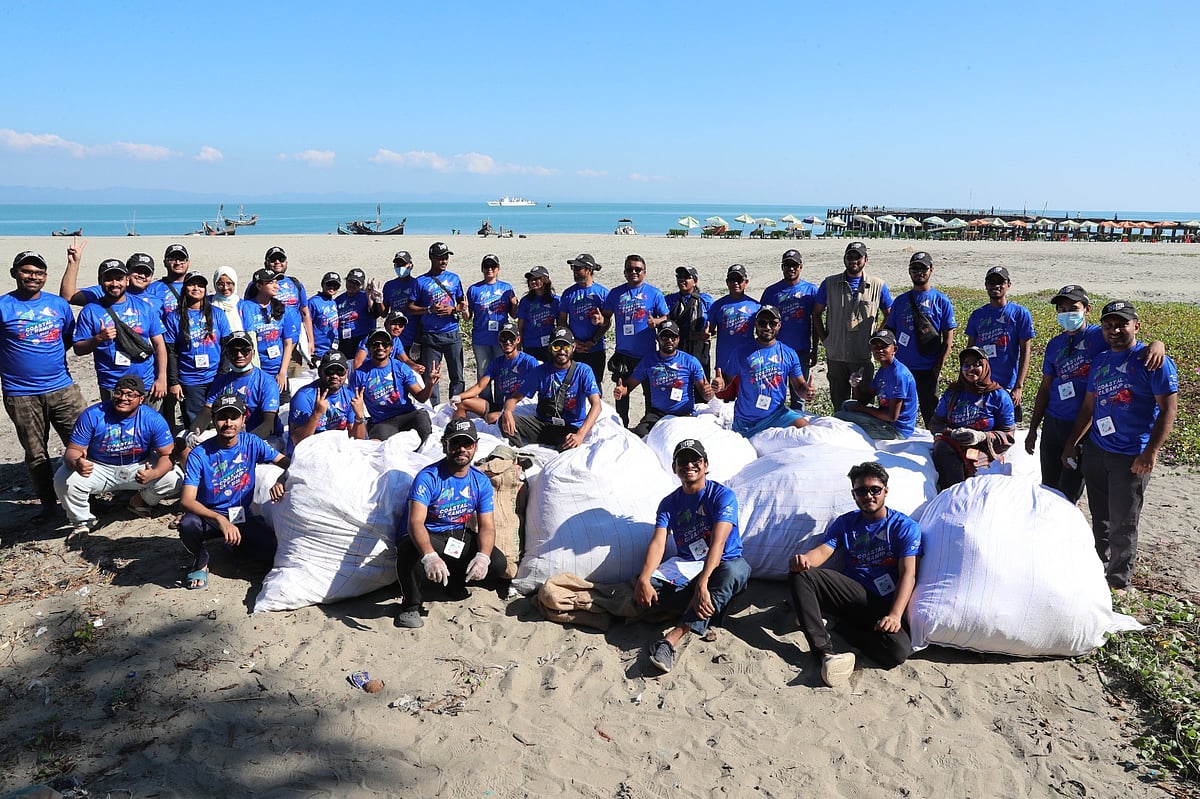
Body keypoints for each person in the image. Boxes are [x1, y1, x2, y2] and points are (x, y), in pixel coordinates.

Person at [1061, 300, 1178, 590]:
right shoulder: (1101, 360)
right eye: (1109, 325)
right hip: (1097, 450)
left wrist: (1150, 452)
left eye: (1122, 324)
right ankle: (1099, 565)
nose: (1114, 330)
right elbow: (1089, 407)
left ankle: (1117, 581)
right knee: (1099, 516)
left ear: (1136, 326)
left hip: (1130, 456)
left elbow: (1168, 409)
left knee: (1123, 522)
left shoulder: (1152, 361)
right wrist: (1072, 443)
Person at [1025, 285, 1165, 503]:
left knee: (1069, 490)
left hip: (1084, 426)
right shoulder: (1055, 344)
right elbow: (1045, 389)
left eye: (1073, 308)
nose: (1067, 314)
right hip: (1053, 423)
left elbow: (1133, 342)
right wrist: (1034, 428)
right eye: (1062, 310)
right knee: (1048, 487)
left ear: (1087, 310)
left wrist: (1158, 344)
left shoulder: (1099, 336)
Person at [787, 462, 921, 687]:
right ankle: (825, 654)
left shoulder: (903, 527)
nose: (868, 495)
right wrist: (804, 561)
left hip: (883, 604)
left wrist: (895, 615)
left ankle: (839, 626)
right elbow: (823, 551)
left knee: (897, 652)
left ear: (885, 491)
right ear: (853, 494)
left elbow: (908, 574)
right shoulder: (846, 523)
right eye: (861, 491)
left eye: (874, 490)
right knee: (801, 575)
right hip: (852, 592)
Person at [635, 438, 750, 674]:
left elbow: (718, 542)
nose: (689, 465)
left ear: (706, 465)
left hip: (724, 564)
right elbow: (658, 542)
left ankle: (671, 639)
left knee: (732, 574)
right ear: (674, 468)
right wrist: (644, 579)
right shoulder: (669, 503)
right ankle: (708, 611)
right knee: (649, 589)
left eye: (695, 460)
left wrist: (704, 581)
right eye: (683, 461)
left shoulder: (722, 496)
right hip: (689, 567)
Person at [393, 418, 510, 629]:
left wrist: (483, 557)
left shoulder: (479, 481)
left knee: (498, 562)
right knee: (410, 550)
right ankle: (410, 606)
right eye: (456, 443)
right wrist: (429, 556)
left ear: (476, 446)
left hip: (457, 535)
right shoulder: (428, 477)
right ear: (444, 444)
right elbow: (415, 523)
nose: (462, 449)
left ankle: (453, 581)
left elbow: (487, 526)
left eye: (468, 444)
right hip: (428, 535)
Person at [1, 250, 88, 518]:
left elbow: (68, 340)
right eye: (27, 271)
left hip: (62, 388)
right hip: (21, 393)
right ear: (15, 273)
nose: (33, 277)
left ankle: (86, 497)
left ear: (45, 276)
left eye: (39, 272)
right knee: (36, 452)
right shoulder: (4, 306)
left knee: (82, 442)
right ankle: (48, 503)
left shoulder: (58, 305)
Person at [179, 394, 290, 590]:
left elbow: (288, 463)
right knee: (188, 525)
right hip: (209, 516)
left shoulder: (252, 442)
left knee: (269, 550)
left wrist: (281, 480)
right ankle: (201, 559)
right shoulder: (199, 454)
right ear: (213, 420)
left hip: (241, 514)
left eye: (234, 417)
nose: (228, 423)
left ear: (243, 419)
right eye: (222, 417)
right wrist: (220, 520)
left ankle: (234, 547)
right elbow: (186, 501)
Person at [53, 375, 181, 541]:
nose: (123, 398)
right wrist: (77, 462)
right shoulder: (92, 415)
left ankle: (140, 501)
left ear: (141, 398)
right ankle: (82, 522)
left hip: (139, 465)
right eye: (119, 393)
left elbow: (168, 454)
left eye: (130, 395)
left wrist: (154, 474)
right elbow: (73, 450)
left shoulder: (153, 419)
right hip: (99, 466)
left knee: (175, 477)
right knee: (64, 479)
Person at [73, 258, 168, 404]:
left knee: (148, 424)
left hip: (146, 382)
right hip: (112, 384)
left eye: (119, 279)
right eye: (109, 279)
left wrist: (162, 378)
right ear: (100, 281)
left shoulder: (144, 307)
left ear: (127, 280)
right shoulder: (90, 311)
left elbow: (159, 345)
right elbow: (78, 349)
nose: (115, 284)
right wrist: (98, 339)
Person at [812, 241, 893, 413]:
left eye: (858, 257)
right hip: (836, 355)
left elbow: (890, 314)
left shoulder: (878, 285)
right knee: (839, 404)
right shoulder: (829, 283)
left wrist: (877, 336)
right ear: (845, 258)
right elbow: (816, 313)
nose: (854, 260)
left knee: (863, 405)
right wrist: (826, 341)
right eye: (850, 256)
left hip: (862, 354)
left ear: (866, 260)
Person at [712, 305, 813, 438]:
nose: (767, 327)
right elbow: (726, 380)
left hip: (778, 415)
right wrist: (720, 384)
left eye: (772, 323)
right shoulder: (741, 352)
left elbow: (799, 385)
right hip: (746, 421)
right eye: (762, 323)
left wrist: (806, 391)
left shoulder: (789, 353)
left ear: (779, 325)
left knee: (809, 433)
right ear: (756, 324)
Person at [500, 326, 602, 451]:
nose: (561, 351)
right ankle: (521, 454)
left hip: (570, 427)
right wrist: (508, 412)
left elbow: (597, 405)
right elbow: (514, 399)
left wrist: (580, 435)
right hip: (543, 424)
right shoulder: (539, 372)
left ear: (573, 347)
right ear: (550, 348)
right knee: (503, 422)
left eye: (566, 347)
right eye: (556, 347)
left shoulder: (583, 371)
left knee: (567, 448)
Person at [884, 251, 956, 426]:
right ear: (909, 271)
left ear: (931, 270)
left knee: (931, 414)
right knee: (899, 415)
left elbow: (948, 340)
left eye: (923, 268)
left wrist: (937, 367)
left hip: (928, 369)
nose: (919, 272)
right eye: (914, 268)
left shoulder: (941, 300)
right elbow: (890, 333)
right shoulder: (900, 301)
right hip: (902, 369)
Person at [929, 346, 1016, 490]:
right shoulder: (952, 394)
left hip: (985, 449)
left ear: (986, 367)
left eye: (977, 365)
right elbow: (935, 424)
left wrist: (982, 436)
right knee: (942, 449)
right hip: (954, 447)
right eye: (966, 365)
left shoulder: (999, 396)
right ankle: (952, 494)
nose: (971, 369)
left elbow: (1009, 435)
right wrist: (952, 433)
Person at [602, 254, 669, 427]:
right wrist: (599, 320)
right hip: (623, 354)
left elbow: (665, 316)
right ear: (624, 272)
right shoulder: (616, 293)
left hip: (647, 355)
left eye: (637, 269)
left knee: (650, 394)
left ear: (644, 272)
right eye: (630, 269)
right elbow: (606, 317)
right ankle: (621, 426)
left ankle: (649, 427)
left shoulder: (654, 293)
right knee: (621, 393)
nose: (634, 272)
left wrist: (656, 322)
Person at [615, 321, 713, 438]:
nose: (669, 340)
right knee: (640, 435)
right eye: (665, 336)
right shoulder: (649, 361)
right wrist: (621, 391)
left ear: (678, 338)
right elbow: (629, 386)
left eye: (673, 337)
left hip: (683, 415)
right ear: (658, 338)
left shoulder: (690, 361)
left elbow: (706, 394)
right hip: (657, 414)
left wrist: (710, 392)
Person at [163, 271, 232, 432]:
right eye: (192, 284)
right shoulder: (174, 317)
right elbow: (171, 352)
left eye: (200, 285)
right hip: (190, 380)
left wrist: (222, 376)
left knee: (220, 419)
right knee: (195, 424)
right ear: (184, 288)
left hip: (215, 376)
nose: (196, 288)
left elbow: (226, 346)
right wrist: (174, 382)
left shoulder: (217, 313)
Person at [965, 266, 1035, 423]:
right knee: (981, 424)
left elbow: (1025, 351)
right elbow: (969, 351)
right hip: (980, 384)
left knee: (1006, 429)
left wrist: (1019, 387)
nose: (995, 286)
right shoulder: (977, 315)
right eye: (991, 282)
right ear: (985, 285)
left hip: (1007, 386)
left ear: (1008, 285)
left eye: (1000, 282)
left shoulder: (1020, 313)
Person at [350, 328, 439, 443]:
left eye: (385, 344)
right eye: (375, 344)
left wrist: (430, 385)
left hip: (407, 414)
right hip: (382, 421)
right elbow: (353, 404)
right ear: (368, 348)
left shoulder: (400, 367)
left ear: (391, 348)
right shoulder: (359, 375)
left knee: (422, 418)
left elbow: (421, 397)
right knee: (379, 445)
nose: (380, 347)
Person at [194, 332, 282, 446]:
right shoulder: (220, 381)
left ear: (253, 353)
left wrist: (241, 445)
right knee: (184, 438)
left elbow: (269, 423)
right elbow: (207, 412)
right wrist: (193, 433)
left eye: (245, 350)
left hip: (264, 438)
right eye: (233, 351)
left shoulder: (267, 382)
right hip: (229, 435)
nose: (239, 355)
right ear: (227, 354)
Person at [408, 242, 468, 404]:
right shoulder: (420, 281)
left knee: (457, 374)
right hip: (430, 336)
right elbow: (410, 307)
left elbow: (462, 304)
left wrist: (454, 309)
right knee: (431, 376)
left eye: (446, 257)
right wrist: (429, 309)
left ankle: (456, 406)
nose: (444, 260)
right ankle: (434, 410)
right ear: (431, 258)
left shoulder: (454, 278)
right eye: (440, 257)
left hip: (452, 332)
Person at [760, 249, 819, 408]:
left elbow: (816, 321)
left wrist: (814, 350)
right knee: (772, 393)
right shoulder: (771, 292)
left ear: (801, 267)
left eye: (795, 265)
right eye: (787, 265)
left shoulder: (811, 290)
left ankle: (796, 428)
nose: (791, 269)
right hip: (776, 352)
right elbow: (762, 323)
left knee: (799, 397)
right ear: (782, 267)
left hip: (801, 351)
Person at [835, 330, 919, 440]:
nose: (879, 350)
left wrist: (862, 409)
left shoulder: (898, 375)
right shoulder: (883, 370)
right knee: (847, 404)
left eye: (884, 346)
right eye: (876, 347)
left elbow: (892, 416)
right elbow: (864, 400)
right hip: (885, 419)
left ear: (894, 349)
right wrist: (855, 385)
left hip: (896, 430)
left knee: (840, 416)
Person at [451, 321, 539, 424]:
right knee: (461, 404)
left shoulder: (529, 361)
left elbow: (539, 384)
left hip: (520, 405)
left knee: (492, 418)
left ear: (518, 340)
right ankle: (458, 432)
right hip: (501, 404)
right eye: (504, 338)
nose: (507, 342)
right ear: (499, 341)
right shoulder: (497, 362)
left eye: (511, 339)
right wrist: (459, 396)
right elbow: (480, 386)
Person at [248, 247, 313, 375]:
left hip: (293, 343)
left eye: (281, 259)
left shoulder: (295, 283)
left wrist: (311, 341)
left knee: (291, 382)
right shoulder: (255, 285)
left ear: (286, 262)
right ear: (266, 263)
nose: (277, 262)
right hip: (267, 342)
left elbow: (305, 312)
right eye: (273, 259)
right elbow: (249, 311)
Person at [239, 268, 301, 397]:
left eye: (276, 282)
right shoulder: (246, 307)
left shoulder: (282, 308)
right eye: (271, 282)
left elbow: (288, 342)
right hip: (256, 370)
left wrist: (282, 372)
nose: (276, 286)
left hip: (278, 370)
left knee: (283, 408)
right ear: (259, 286)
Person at [289, 350, 368, 452]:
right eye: (329, 371)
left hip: (337, 450)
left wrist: (359, 416)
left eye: (340, 372)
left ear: (346, 373)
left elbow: (358, 440)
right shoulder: (304, 397)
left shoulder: (349, 396)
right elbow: (297, 441)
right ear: (319, 371)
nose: (335, 376)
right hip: (309, 452)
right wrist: (316, 415)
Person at [465, 253, 516, 394]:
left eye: (493, 266)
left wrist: (514, 304)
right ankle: (485, 403)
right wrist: (464, 310)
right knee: (483, 372)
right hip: (481, 338)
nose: (490, 269)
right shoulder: (474, 289)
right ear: (482, 269)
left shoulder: (507, 288)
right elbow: (468, 317)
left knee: (502, 372)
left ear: (498, 269)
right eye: (486, 266)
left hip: (502, 339)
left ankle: (500, 404)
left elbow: (514, 314)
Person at [558, 253, 609, 386]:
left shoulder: (602, 293)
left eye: (578, 268)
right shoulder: (568, 293)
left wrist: (593, 340)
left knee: (595, 385)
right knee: (573, 384)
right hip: (574, 349)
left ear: (589, 270)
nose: (574, 271)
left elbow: (607, 323)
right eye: (573, 268)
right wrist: (573, 341)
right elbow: (562, 320)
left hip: (596, 348)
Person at [707, 263, 760, 378]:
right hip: (725, 361)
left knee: (748, 395)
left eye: (739, 279)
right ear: (727, 282)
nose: (735, 283)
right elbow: (709, 330)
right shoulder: (718, 305)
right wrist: (705, 334)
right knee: (726, 395)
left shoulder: (755, 306)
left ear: (746, 282)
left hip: (747, 360)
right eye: (732, 279)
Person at [664, 265, 713, 380]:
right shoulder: (670, 300)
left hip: (699, 350)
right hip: (676, 349)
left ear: (695, 281)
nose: (682, 280)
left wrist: (707, 334)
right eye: (679, 277)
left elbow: (714, 325)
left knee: (700, 385)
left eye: (686, 277)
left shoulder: (706, 300)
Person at [210, 266, 253, 370]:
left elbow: (251, 335)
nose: (225, 288)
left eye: (229, 283)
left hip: (239, 355)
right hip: (215, 356)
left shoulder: (243, 306)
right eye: (220, 284)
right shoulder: (209, 303)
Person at [517, 265, 561, 363]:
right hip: (530, 344)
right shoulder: (525, 301)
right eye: (531, 279)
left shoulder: (555, 301)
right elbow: (520, 327)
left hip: (550, 344)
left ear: (545, 280)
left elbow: (560, 325)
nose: (533, 282)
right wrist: (518, 348)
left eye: (536, 279)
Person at [381, 250, 421, 358]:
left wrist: (417, 341)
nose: (400, 267)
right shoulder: (389, 285)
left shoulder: (417, 283)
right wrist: (377, 299)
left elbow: (421, 314)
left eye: (403, 264)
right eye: (397, 264)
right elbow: (384, 313)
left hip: (413, 335)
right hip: (394, 335)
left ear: (411, 266)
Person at [334, 268, 378, 359]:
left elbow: (375, 314)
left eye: (356, 283)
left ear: (361, 285)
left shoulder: (365, 296)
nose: (352, 285)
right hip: (344, 340)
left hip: (361, 338)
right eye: (350, 282)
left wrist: (370, 297)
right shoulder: (339, 300)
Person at [307, 271, 342, 361]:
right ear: (322, 284)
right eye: (329, 284)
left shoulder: (334, 302)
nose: (332, 287)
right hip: (318, 350)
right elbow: (306, 324)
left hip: (333, 348)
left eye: (335, 285)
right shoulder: (313, 302)